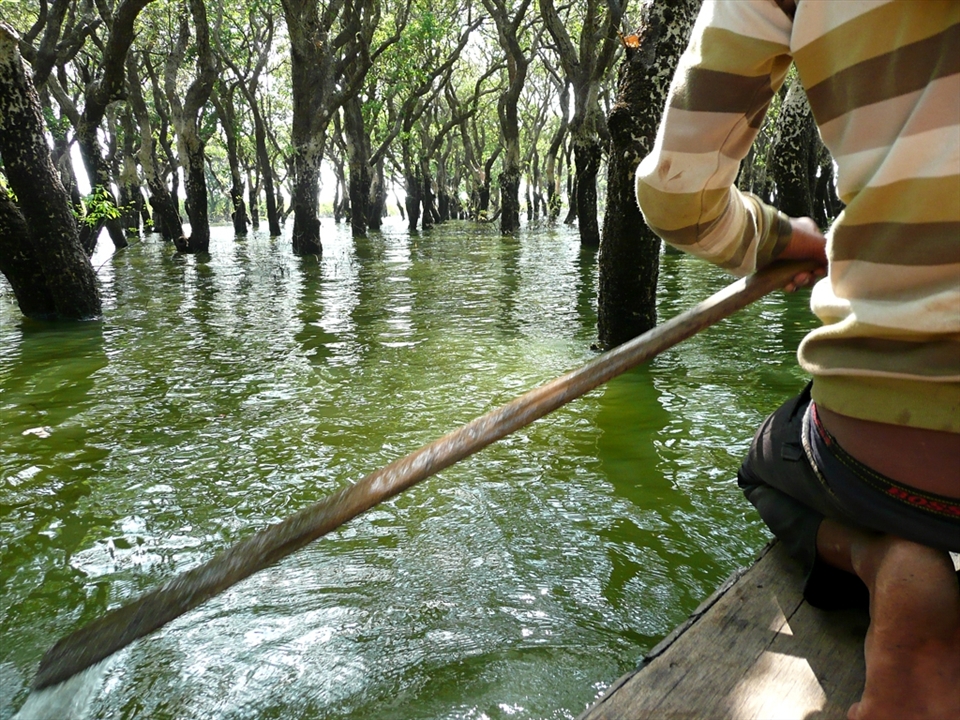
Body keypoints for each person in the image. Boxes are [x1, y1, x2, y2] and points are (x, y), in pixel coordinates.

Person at [634, 1, 959, 718]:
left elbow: (674, 198)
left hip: (904, 472)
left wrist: (774, 239)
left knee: (764, 464)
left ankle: (887, 559)